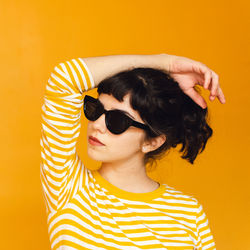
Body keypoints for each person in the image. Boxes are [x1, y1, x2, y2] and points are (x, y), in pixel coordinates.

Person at [40, 54, 225, 250]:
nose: (97, 125)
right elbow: (64, 79)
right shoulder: (68, 188)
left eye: (117, 120)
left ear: (152, 142)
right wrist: (166, 64)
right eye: (95, 110)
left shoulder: (188, 213)